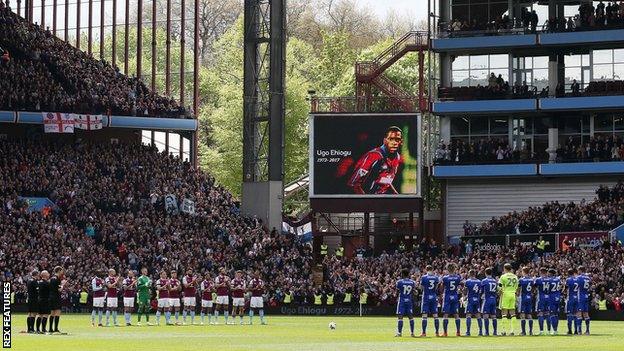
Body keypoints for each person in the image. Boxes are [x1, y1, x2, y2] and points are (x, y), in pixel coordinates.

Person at [348, 126, 404, 195]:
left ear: (401, 142)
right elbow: (353, 184)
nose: (394, 143)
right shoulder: (373, 156)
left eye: (397, 140)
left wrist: (396, 195)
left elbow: (386, 180)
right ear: (385, 140)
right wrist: (368, 201)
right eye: (391, 139)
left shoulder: (398, 158)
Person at [440, 263, 462, 337]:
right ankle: (458, 332)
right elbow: (460, 286)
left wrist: (441, 294)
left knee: (446, 314)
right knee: (456, 314)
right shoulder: (457, 277)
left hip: (447, 296)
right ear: (454, 269)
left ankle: (445, 333)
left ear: (447, 269)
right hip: (455, 296)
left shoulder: (445, 278)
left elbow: (442, 287)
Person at [419, 265, 440, 337]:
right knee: (435, 315)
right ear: (432, 269)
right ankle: (437, 333)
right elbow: (436, 287)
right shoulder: (436, 277)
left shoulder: (424, 277)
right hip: (433, 296)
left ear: (426, 269)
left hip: (426, 297)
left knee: (424, 315)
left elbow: (421, 287)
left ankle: (424, 333)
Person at [498, 263, 518, 336]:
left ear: (505, 268)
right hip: (513, 294)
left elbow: (499, 286)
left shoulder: (503, 276)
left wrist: (499, 292)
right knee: (513, 313)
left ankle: (504, 331)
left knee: (504, 313)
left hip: (506, 294)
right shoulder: (515, 277)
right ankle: (512, 331)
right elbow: (517, 286)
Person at [395, 268, 416, 337]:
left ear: (402, 274)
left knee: (400, 317)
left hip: (402, 301)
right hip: (409, 301)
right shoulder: (412, 282)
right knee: (411, 317)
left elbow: (397, 291)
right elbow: (414, 291)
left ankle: (399, 333)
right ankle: (412, 333)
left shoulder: (399, 282)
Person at [463, 269, 482, 336]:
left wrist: (464, 296)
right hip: (477, 300)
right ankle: (480, 332)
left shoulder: (467, 281)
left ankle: (468, 332)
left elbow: (465, 291)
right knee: (478, 315)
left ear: (469, 274)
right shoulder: (479, 281)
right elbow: (480, 291)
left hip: (470, 300)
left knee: (468, 315)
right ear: (475, 274)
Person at [480, 267, 498, 336]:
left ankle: (487, 332)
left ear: (485, 273)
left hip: (487, 299)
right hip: (493, 299)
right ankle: (495, 332)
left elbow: (481, 290)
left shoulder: (484, 280)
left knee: (485, 316)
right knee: (493, 316)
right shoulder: (494, 281)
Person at [518, 267, 535, 336]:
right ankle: (530, 331)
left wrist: (517, 294)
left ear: (523, 272)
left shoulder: (521, 280)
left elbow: (518, 289)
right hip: (529, 297)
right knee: (529, 314)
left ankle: (523, 332)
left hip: (523, 298)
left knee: (522, 315)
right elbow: (533, 289)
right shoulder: (531, 280)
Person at [535, 267, 552, 335]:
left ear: (541, 272)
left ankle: (541, 331)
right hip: (548, 298)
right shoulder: (550, 280)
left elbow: (534, 286)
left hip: (541, 298)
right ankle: (549, 331)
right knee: (548, 314)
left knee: (540, 314)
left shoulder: (538, 279)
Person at [48, 266, 65, 333]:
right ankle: (55, 328)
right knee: (57, 312)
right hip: (56, 297)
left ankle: (50, 328)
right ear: (59, 271)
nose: (62, 272)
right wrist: (63, 285)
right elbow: (59, 290)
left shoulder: (51, 278)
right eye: (61, 270)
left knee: (52, 313)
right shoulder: (57, 279)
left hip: (51, 297)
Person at [576, 265, 591, 335]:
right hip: (586, 296)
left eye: (578, 270)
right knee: (586, 314)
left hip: (580, 297)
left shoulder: (578, 277)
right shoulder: (588, 278)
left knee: (579, 314)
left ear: (580, 270)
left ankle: (579, 331)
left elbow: (575, 286)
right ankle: (587, 331)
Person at [564, 268, 579, 335]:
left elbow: (565, 289)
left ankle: (570, 330)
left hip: (570, 299)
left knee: (569, 315)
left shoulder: (568, 279)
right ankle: (576, 330)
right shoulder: (578, 279)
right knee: (576, 315)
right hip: (577, 299)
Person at [548, 268, 562, 335]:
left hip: (552, 298)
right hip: (558, 297)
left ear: (550, 273)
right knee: (556, 314)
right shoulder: (558, 279)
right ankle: (556, 329)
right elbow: (561, 286)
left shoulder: (549, 280)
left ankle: (554, 330)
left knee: (552, 314)